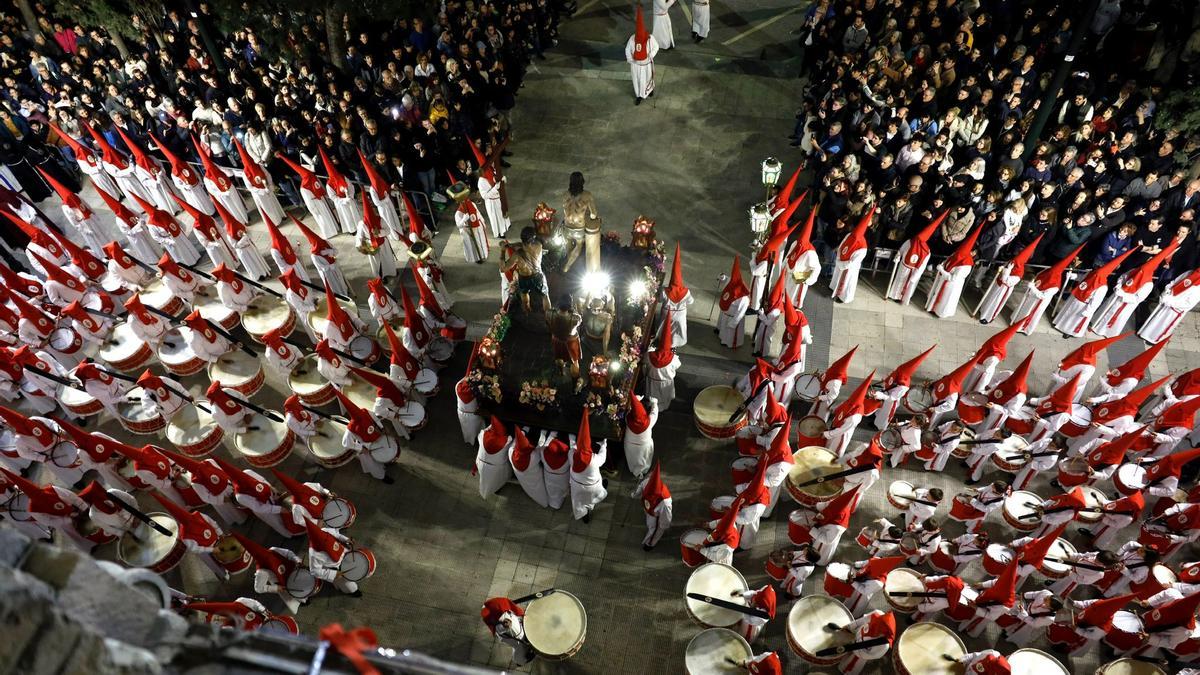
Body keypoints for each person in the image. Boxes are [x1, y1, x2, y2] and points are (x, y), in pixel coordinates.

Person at [1052, 248, 1137, 338]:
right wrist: (1073, 276)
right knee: (1067, 313)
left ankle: (1069, 331)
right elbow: (1083, 278)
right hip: (1076, 296)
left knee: (1074, 319)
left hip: (1084, 304)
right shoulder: (1092, 273)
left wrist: (1088, 311)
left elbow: (1096, 302)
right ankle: (1059, 324)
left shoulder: (1102, 287)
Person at [1011, 244, 1086, 334]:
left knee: (1031, 315)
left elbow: (1042, 296)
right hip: (1031, 297)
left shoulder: (1054, 286)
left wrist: (1032, 287)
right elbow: (1038, 280)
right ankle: (1016, 321)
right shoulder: (1046, 273)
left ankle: (1024, 328)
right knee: (1024, 309)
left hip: (1038, 302)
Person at [975, 235, 1043, 324]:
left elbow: (1005, 280)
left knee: (995, 303)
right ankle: (983, 311)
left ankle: (988, 317)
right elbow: (1005, 267)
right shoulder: (1012, 262)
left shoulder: (1019, 273)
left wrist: (1007, 270)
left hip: (1003, 289)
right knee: (989, 298)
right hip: (997, 284)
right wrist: (1002, 268)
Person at [925, 223, 982, 319]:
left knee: (945, 299)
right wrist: (943, 265)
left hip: (951, 285)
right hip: (943, 279)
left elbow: (953, 278)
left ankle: (939, 313)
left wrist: (941, 270)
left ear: (973, 253)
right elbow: (948, 260)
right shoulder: (957, 254)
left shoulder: (966, 265)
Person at [871, 345, 935, 430]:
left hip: (891, 401)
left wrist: (880, 395)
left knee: (885, 416)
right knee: (880, 411)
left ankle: (879, 427)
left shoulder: (903, 387)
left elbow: (892, 398)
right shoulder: (899, 373)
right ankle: (875, 417)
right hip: (885, 394)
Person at [886, 212, 943, 305]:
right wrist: (897, 257)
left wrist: (915, 276)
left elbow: (922, 265)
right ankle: (895, 295)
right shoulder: (910, 242)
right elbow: (901, 250)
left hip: (914, 270)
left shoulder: (926, 251)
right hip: (904, 266)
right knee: (899, 281)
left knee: (909, 285)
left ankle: (904, 299)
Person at [1139, 267, 1200, 343]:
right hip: (1168, 299)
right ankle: (1145, 333)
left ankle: (1153, 339)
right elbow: (1174, 282)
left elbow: (1188, 304)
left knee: (1164, 324)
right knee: (1156, 318)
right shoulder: (1190, 272)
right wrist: (1166, 292)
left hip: (1176, 309)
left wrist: (1170, 301)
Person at [829, 207, 874, 303]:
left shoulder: (863, 247)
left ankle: (843, 297)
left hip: (850, 267)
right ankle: (834, 289)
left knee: (847, 283)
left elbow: (854, 262)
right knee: (837, 277)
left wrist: (842, 264)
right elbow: (842, 246)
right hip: (841, 261)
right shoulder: (850, 235)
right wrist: (839, 257)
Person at [570, 413, 608, 522]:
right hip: (592, 487)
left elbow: (573, 449)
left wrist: (572, 440)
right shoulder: (594, 459)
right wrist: (603, 445)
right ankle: (590, 507)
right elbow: (603, 457)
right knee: (593, 497)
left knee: (580, 501)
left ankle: (584, 514)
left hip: (577, 486)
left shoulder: (572, 455)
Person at [502, 227, 548, 313]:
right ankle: (548, 316)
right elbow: (524, 245)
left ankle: (527, 311)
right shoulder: (539, 245)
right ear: (533, 238)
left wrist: (502, 251)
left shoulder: (517, 255)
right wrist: (511, 245)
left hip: (524, 278)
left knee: (525, 296)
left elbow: (503, 269)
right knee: (545, 296)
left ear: (522, 238)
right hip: (538, 276)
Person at [562, 172, 601, 272]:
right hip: (578, 228)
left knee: (568, 245)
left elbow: (565, 210)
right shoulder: (587, 195)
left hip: (566, 226)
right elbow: (593, 214)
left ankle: (569, 264)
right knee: (578, 246)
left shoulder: (565, 194)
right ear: (582, 182)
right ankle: (567, 266)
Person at [836, 610, 896, 675]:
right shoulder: (877, 614)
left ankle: (845, 672)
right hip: (855, 638)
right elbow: (861, 621)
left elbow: (868, 655)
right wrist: (849, 627)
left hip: (860, 653)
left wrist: (853, 647)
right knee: (845, 654)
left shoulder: (883, 645)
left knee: (851, 664)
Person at [481, 597, 534, 666]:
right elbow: (501, 629)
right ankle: (521, 662)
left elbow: (513, 615)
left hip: (521, 631)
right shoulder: (498, 626)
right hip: (518, 642)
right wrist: (505, 626)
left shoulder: (506, 611)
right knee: (520, 654)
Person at [632, 461, 672, 550]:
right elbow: (638, 491)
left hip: (657, 516)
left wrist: (664, 525)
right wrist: (634, 494)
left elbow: (666, 516)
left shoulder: (665, 501)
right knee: (650, 525)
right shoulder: (647, 482)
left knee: (654, 530)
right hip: (649, 510)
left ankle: (650, 543)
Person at [509, 426, 549, 508]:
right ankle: (544, 503)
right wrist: (543, 433)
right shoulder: (532, 457)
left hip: (522, 478)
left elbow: (515, 443)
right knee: (540, 490)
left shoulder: (511, 452)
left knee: (532, 490)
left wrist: (523, 431)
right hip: (535, 477)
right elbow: (540, 449)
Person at [646, 312, 680, 409]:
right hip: (666, 382)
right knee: (664, 398)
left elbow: (645, 362)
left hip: (653, 381)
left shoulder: (649, 355)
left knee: (653, 398)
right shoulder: (673, 359)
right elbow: (678, 365)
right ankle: (664, 407)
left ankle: (652, 408)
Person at [661, 245, 693, 347]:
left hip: (667, 314)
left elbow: (659, 300)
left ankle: (665, 344)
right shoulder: (686, 292)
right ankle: (674, 345)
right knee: (677, 332)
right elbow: (691, 301)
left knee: (666, 331)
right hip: (680, 315)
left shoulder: (665, 291)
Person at [626, 6, 659, 105]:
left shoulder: (650, 38)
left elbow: (656, 47)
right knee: (637, 80)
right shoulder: (632, 39)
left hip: (646, 64)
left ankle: (649, 90)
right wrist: (630, 59)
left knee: (648, 78)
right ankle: (639, 95)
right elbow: (627, 49)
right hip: (636, 65)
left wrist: (651, 55)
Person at [717, 255, 751, 348]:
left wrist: (733, 323)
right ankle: (723, 339)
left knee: (730, 334)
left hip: (733, 317)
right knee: (724, 331)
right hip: (726, 313)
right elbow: (727, 279)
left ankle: (730, 343)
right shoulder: (732, 283)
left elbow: (741, 312)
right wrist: (723, 277)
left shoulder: (743, 298)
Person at [476, 416, 514, 499]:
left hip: (481, 463)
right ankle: (496, 488)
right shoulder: (506, 440)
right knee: (497, 479)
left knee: (485, 479)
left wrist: (493, 424)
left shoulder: (483, 435)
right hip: (496, 468)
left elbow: (485, 430)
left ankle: (492, 489)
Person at [452, 181, 489, 263]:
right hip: (469, 231)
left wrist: (482, 221)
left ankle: (484, 254)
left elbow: (477, 213)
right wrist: (464, 219)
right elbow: (459, 225)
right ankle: (477, 258)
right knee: (474, 246)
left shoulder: (471, 203)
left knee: (481, 242)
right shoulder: (458, 213)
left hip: (478, 227)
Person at [624, 394, 658, 478]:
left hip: (630, 445)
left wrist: (636, 400)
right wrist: (654, 403)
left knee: (631, 457)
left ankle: (633, 469)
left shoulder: (628, 419)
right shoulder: (648, 421)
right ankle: (644, 470)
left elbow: (630, 411)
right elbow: (654, 413)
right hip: (644, 446)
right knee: (645, 458)